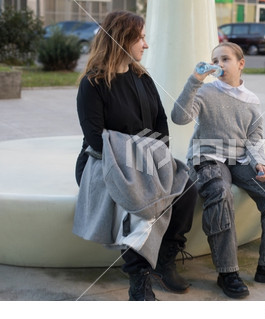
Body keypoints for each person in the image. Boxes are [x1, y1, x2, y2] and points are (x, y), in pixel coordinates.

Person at [74, 10, 197, 301]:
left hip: (146, 159)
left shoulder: (143, 79)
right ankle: (138, 278)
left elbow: (161, 126)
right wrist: (141, 161)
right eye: (140, 38)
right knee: (139, 195)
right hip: (103, 161)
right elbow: (97, 139)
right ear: (121, 40)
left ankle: (164, 259)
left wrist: (152, 160)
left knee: (187, 187)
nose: (146, 45)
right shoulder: (92, 85)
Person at [172, 42, 265, 299]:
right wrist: (194, 80)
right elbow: (179, 118)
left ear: (241, 63)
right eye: (215, 60)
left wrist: (259, 162)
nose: (219, 64)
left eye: (225, 59)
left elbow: (254, 138)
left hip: (240, 158)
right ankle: (228, 272)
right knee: (220, 192)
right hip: (208, 156)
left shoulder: (251, 100)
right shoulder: (205, 92)